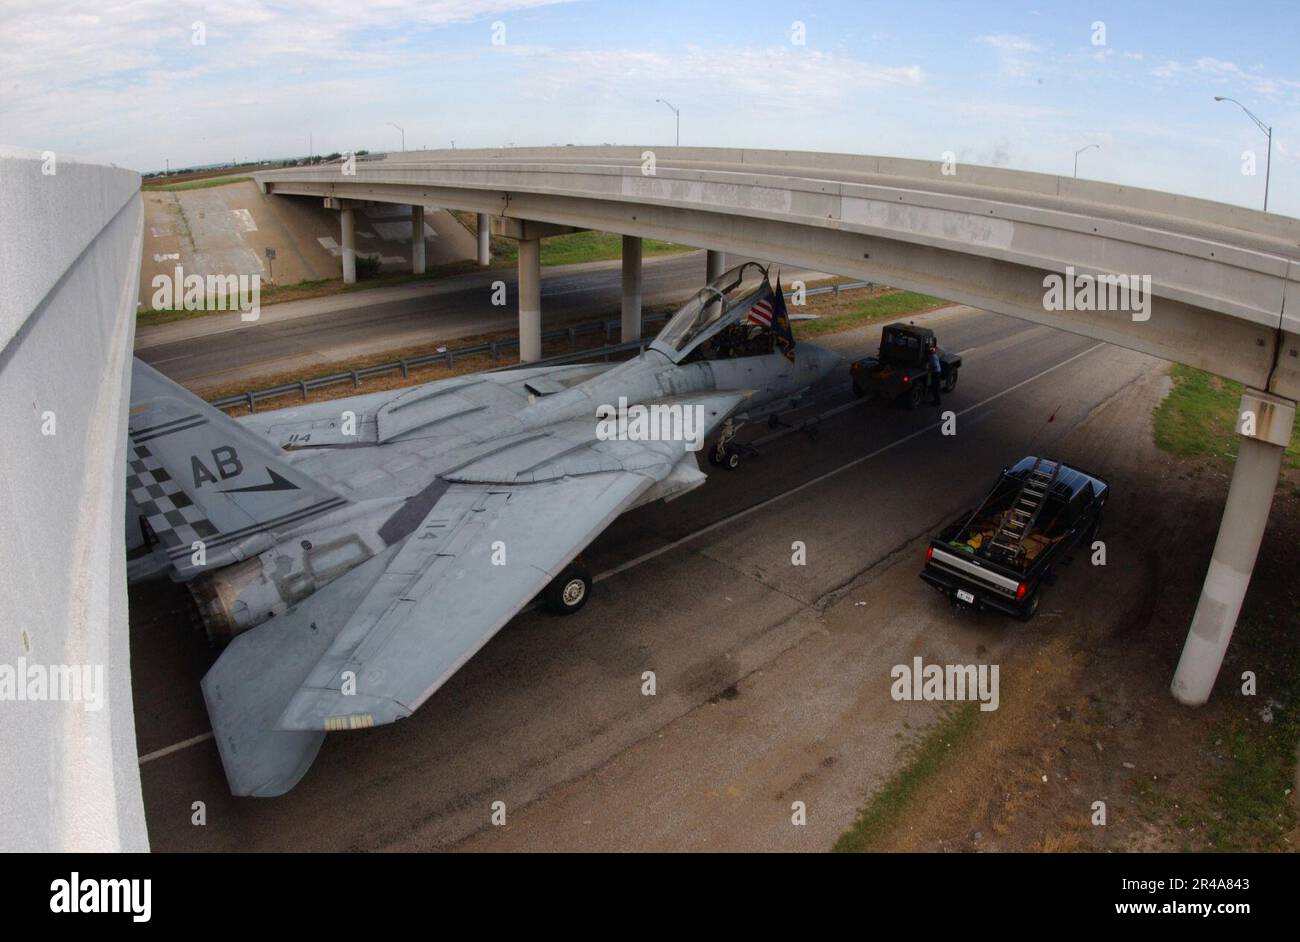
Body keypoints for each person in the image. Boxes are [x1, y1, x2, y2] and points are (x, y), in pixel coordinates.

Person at [928, 340, 943, 406]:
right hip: (937, 372)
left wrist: (929, 369)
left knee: (935, 388)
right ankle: (937, 401)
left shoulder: (933, 357)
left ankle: (937, 402)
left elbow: (935, 366)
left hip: (936, 373)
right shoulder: (934, 355)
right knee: (935, 388)